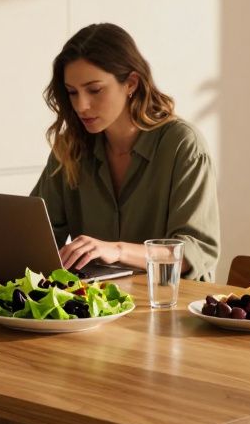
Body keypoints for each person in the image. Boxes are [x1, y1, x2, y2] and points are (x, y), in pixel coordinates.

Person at [31, 23, 221, 281]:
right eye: (72, 93)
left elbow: (197, 251)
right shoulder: (71, 148)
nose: (81, 105)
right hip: (94, 308)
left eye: (95, 90)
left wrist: (117, 250)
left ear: (131, 83)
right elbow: (36, 234)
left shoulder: (182, 145)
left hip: (168, 306)